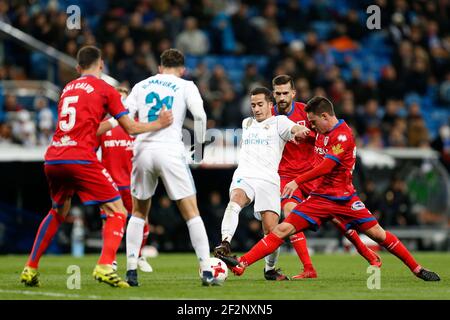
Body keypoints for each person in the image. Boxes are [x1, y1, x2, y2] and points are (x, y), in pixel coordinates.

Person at [218, 96, 440, 282]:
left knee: (378, 234)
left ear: (325, 116)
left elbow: (327, 166)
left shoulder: (343, 135)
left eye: (313, 122)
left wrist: (297, 180)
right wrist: (296, 132)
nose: (312, 126)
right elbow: (306, 136)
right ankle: (241, 264)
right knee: (282, 230)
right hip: (319, 199)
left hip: (344, 199)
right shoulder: (321, 133)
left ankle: (417, 269)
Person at [20, 45, 173, 288]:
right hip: (79, 157)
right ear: (101, 64)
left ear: (78, 68)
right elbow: (131, 128)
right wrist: (159, 122)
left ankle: (30, 268)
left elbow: (86, 126)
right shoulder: (105, 89)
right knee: (118, 211)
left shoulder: (67, 89)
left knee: (57, 211)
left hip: (53, 157)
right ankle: (104, 265)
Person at [271, 75, 380, 278]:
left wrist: (307, 135)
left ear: (293, 93)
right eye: (278, 93)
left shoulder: (307, 112)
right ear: (273, 95)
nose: (282, 97)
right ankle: (308, 268)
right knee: (290, 214)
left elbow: (324, 135)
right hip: (286, 175)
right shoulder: (269, 116)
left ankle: (367, 252)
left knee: (338, 218)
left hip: (313, 173)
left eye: (285, 92)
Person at [124, 48, 211, 286]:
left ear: (160, 68)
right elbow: (201, 117)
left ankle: (131, 269)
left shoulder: (141, 85)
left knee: (139, 212)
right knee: (191, 213)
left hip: (142, 150)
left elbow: (123, 116)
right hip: (170, 150)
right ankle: (206, 270)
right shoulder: (186, 85)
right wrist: (200, 148)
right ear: (182, 70)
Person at [214, 86, 311, 281]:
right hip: (245, 174)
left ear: (269, 105)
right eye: (253, 105)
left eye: (260, 105)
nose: (256, 109)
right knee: (235, 202)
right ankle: (225, 243)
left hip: (268, 180)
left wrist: (302, 130)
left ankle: (270, 270)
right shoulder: (246, 123)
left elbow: (294, 129)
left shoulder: (279, 122)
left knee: (271, 230)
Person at [97, 87, 152, 273]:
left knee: (142, 220)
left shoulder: (136, 126)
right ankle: (109, 259)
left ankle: (138, 255)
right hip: (110, 183)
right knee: (108, 221)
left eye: (123, 100)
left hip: (133, 182)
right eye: (117, 100)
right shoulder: (103, 126)